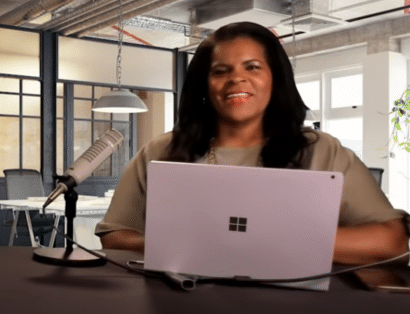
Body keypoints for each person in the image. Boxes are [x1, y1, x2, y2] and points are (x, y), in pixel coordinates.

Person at [95, 22, 409, 265]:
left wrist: (277, 242)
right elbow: (115, 236)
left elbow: (392, 241)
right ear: (205, 85)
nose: (236, 79)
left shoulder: (322, 151)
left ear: (275, 78)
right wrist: (182, 242)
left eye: (252, 67)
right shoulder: (160, 152)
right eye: (221, 71)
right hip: (180, 303)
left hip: (297, 312)